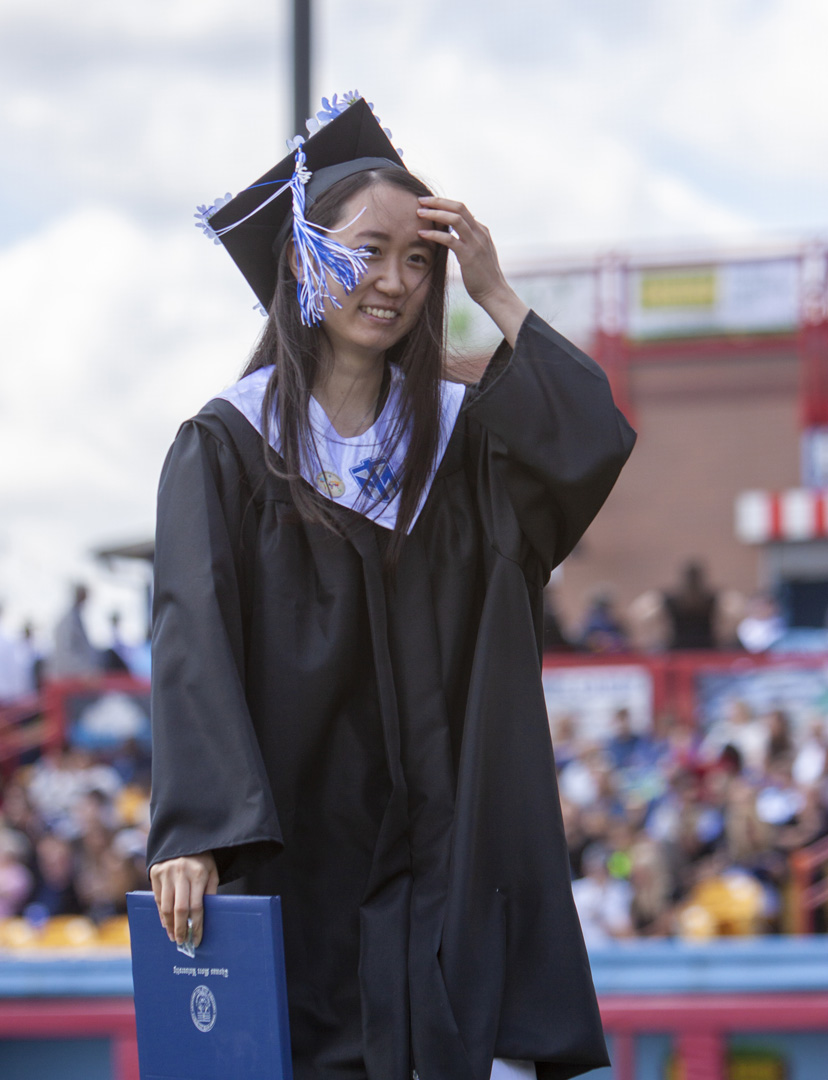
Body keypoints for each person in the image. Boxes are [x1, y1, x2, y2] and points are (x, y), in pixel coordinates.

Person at [147, 95, 635, 1080]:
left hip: (444, 845)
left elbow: (587, 445)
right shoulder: (230, 448)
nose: (394, 282)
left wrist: (498, 296)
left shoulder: (462, 445)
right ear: (301, 261)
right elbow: (190, 634)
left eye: (421, 261)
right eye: (368, 252)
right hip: (301, 843)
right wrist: (196, 829)